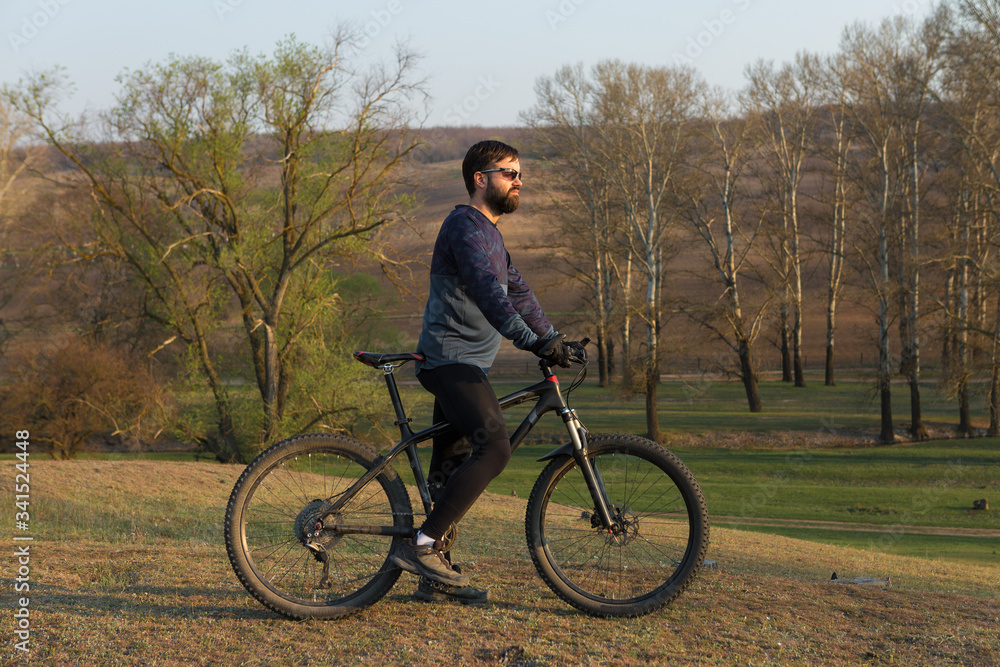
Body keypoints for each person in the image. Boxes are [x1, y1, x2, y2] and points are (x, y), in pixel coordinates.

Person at [392, 140, 580, 604]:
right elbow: (488, 295)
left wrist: (555, 338)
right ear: (481, 179)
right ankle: (423, 546)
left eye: (521, 174)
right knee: (495, 449)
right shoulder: (464, 226)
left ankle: (434, 577)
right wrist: (531, 340)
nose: (519, 181)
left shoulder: (491, 236)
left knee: (453, 467)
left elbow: (518, 293)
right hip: (448, 360)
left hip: (466, 364)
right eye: (510, 173)